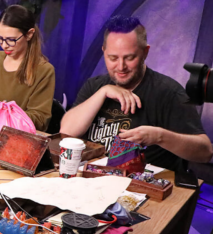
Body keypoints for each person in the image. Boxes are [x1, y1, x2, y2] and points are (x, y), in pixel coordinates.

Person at [61, 15, 212, 170]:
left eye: (130, 58)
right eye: (113, 58)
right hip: (92, 177)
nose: (121, 67)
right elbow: (66, 132)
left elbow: (205, 152)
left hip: (143, 181)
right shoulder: (95, 86)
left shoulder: (169, 92)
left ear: (145, 52)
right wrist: (103, 92)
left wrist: (159, 137)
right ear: (104, 52)